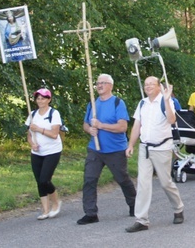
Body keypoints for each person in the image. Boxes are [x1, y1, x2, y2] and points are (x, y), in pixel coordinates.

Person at [125, 77, 185, 232]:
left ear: (159, 86)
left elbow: (172, 120)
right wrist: (131, 144)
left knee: (166, 182)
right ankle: (142, 220)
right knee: (143, 183)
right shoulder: (142, 103)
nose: (148, 86)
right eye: (146, 84)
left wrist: (166, 100)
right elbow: (137, 125)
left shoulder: (166, 101)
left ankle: (178, 208)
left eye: (151, 84)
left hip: (162, 148)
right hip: (145, 148)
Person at [77, 74, 137, 225]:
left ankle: (134, 204)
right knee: (89, 179)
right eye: (97, 83)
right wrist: (90, 129)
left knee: (122, 179)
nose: (99, 85)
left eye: (103, 83)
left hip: (115, 150)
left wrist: (101, 125)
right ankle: (90, 213)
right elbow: (85, 124)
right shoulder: (92, 104)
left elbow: (122, 127)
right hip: (95, 149)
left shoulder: (118, 103)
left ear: (110, 85)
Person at [25, 88, 62, 220]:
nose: (40, 101)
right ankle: (45, 210)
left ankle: (56, 203)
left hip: (52, 151)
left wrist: (39, 129)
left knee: (44, 180)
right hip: (37, 152)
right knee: (39, 181)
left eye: (43, 98)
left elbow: (54, 134)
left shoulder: (54, 113)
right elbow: (29, 135)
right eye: (38, 98)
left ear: (49, 100)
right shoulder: (32, 114)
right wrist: (32, 144)